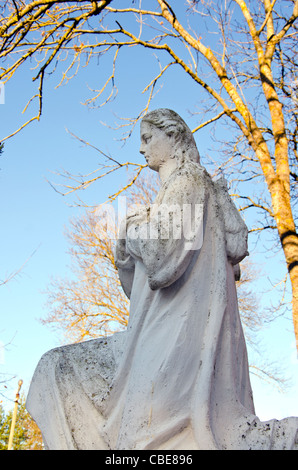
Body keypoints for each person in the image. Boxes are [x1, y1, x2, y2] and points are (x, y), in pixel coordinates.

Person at [26, 109, 298, 450]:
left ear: (174, 136)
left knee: (59, 370)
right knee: (59, 372)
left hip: (174, 339)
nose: (141, 149)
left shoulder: (188, 180)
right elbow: (144, 283)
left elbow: (162, 260)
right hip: (166, 331)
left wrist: (130, 226)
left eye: (146, 138)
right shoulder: (189, 188)